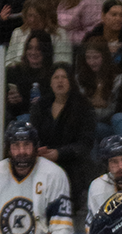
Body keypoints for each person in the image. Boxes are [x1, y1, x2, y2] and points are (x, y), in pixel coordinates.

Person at [29, 63, 99, 209]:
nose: (60, 81)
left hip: (72, 163)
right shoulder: (40, 106)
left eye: (64, 77)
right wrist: (39, 150)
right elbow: (32, 136)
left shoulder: (83, 107)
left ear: (71, 81)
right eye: (56, 77)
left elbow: (85, 144)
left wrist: (59, 153)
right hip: (43, 160)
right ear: (50, 82)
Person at [7, 32, 53, 118]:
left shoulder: (54, 75)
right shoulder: (14, 72)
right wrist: (11, 101)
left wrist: (23, 101)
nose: (33, 52)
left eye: (38, 49)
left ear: (46, 50)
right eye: (30, 48)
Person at [83, 0, 122, 70]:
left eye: (121, 15)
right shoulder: (90, 38)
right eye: (114, 15)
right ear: (103, 16)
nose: (118, 19)